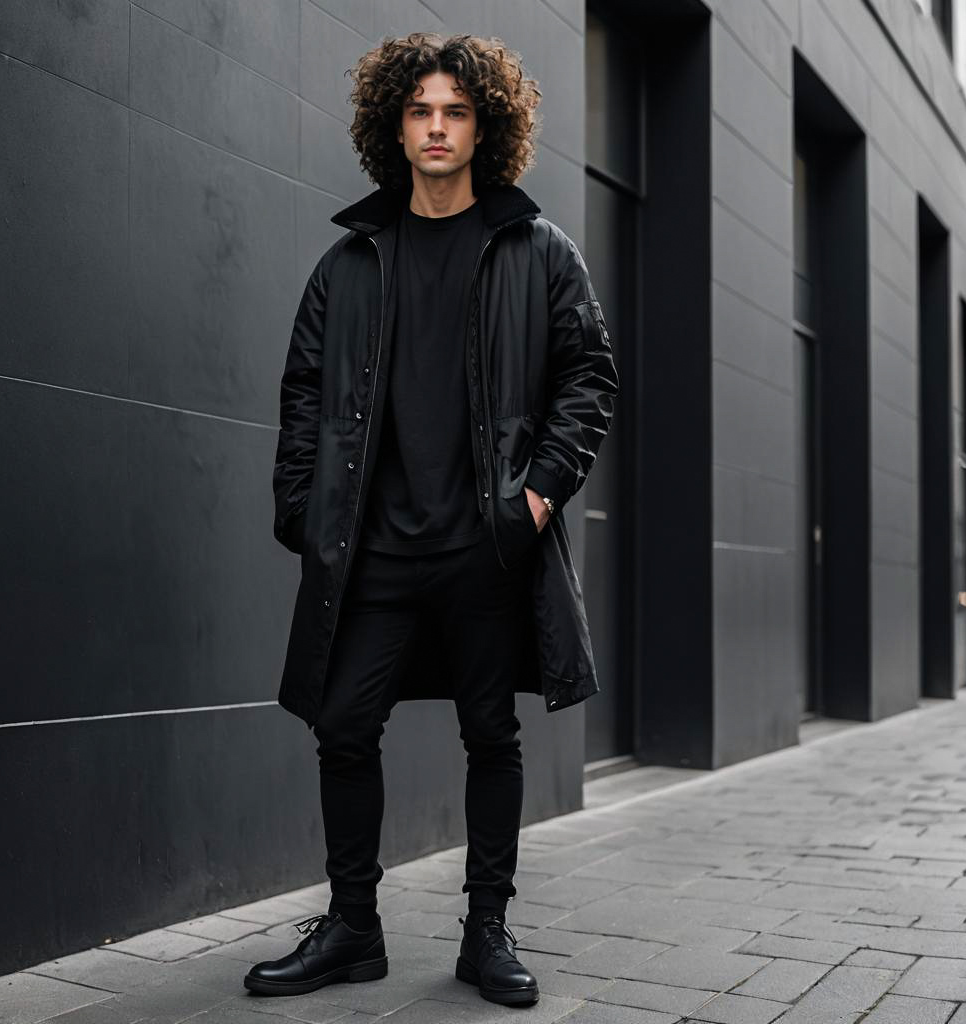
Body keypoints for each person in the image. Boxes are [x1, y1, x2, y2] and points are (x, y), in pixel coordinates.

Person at [244, 31, 619, 1008]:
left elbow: (589, 378)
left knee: (489, 734)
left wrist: (534, 495)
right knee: (341, 725)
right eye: (421, 111)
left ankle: (485, 931)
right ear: (392, 127)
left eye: (456, 110)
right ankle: (352, 928)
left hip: (485, 547)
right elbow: (303, 398)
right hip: (372, 550)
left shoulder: (536, 250)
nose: (438, 127)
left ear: (483, 125)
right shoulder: (351, 261)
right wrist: (304, 510)